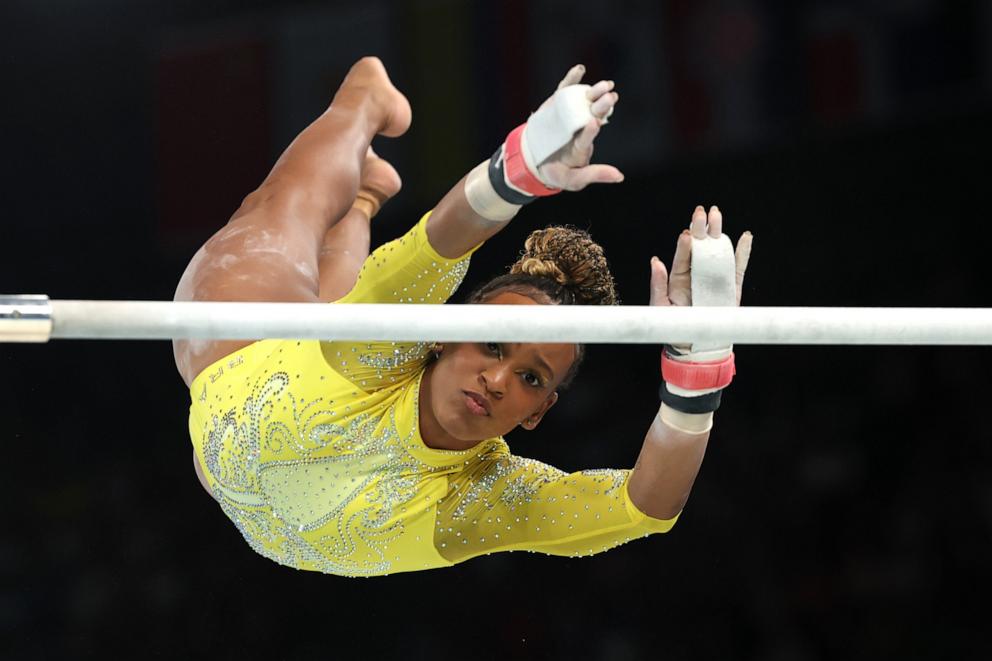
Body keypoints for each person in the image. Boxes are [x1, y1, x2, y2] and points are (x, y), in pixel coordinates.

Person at [173, 57, 752, 577]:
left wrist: (695, 375)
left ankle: (366, 198)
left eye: (531, 379)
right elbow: (441, 242)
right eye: (492, 346)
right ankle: (364, 99)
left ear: (539, 411)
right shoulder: (392, 334)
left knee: (344, 310)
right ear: (445, 336)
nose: (497, 381)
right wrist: (520, 169)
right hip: (239, 365)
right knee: (282, 211)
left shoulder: (484, 498)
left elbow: (643, 508)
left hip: (248, 464)